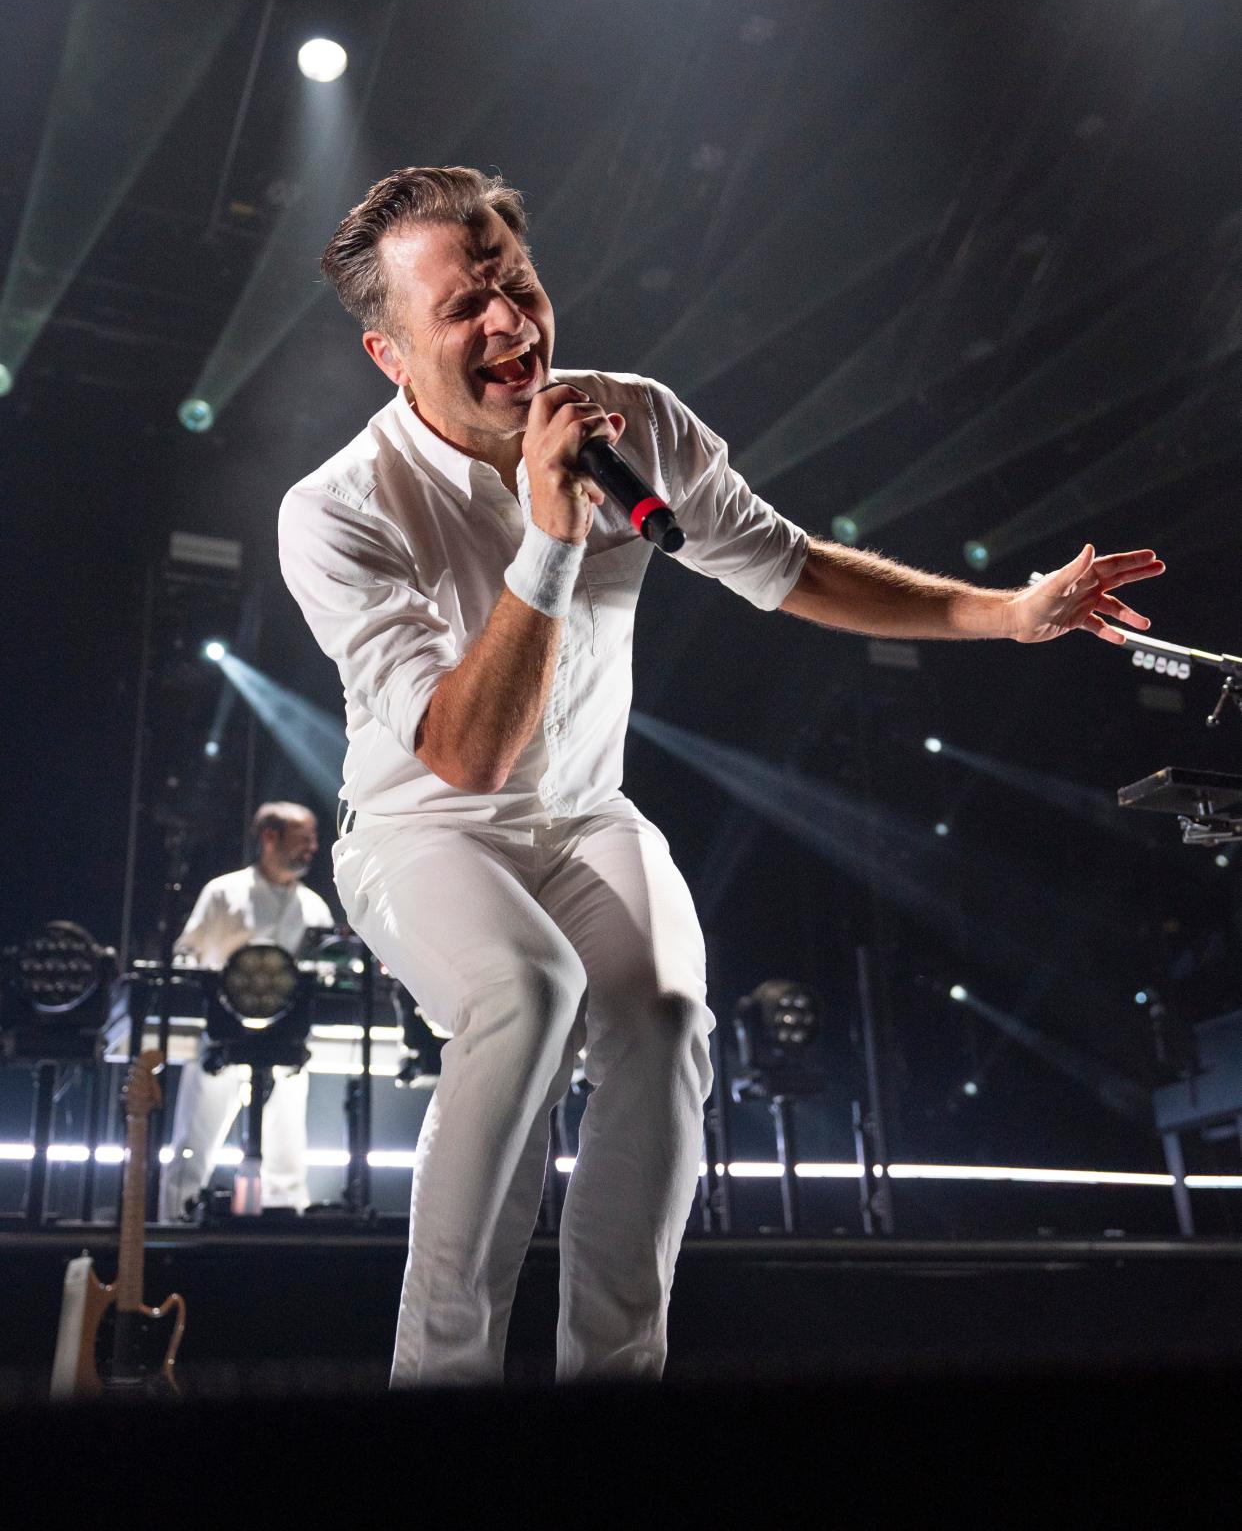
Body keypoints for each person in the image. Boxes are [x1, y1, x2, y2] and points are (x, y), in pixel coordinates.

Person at [277, 166, 1163, 1384]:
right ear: (389, 353)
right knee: (526, 995)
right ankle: (441, 1388)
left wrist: (1006, 613)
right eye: (463, 310)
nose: (509, 326)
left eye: (518, 287)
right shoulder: (333, 510)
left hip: (585, 812)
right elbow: (467, 752)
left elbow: (791, 567)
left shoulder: (631, 417)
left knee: (664, 1013)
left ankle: (616, 1385)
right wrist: (549, 533)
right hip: (425, 825)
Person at [158, 801, 334, 1220]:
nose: (312, 848)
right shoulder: (225, 893)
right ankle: (176, 1229)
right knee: (194, 1143)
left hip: (286, 1046)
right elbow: (188, 952)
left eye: (313, 840)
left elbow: (328, 970)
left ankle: (282, 1237)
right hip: (223, 1038)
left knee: (287, 1151)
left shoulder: (313, 907)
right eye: (303, 839)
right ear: (269, 837)